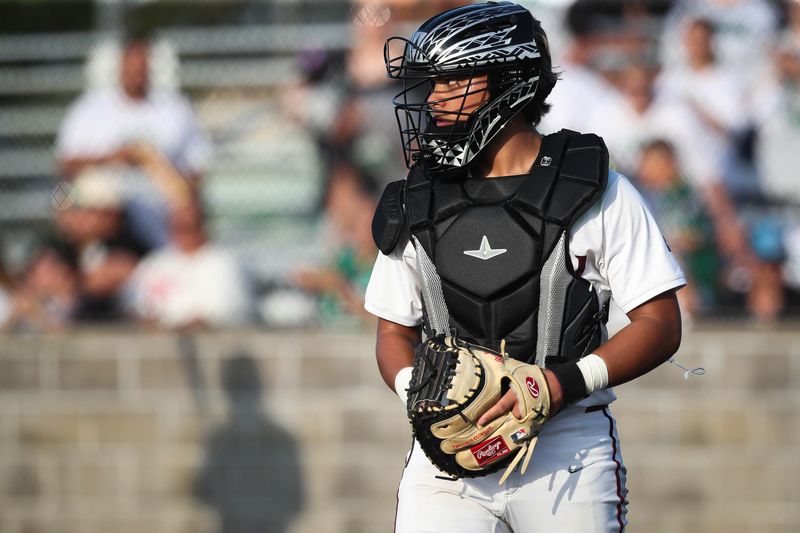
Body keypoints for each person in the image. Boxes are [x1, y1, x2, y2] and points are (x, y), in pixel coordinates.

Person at [366, 3, 686, 531]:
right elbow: (391, 332)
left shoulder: (595, 189)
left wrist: (559, 384)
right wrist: (422, 397)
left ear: (508, 82)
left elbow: (661, 324)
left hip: (567, 451)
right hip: (448, 457)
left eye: (451, 81)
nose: (433, 99)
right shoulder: (416, 198)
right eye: (432, 83)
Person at [55, 33, 210, 247]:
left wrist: (162, 172)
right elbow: (66, 164)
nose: (137, 70)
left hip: (160, 206)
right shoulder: (89, 109)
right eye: (132, 63)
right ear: (120, 65)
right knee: (63, 196)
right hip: (106, 206)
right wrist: (116, 158)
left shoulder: (176, 109)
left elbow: (197, 167)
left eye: (143, 63)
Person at [123, 196, 252, 329]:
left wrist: (179, 327)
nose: (185, 233)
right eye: (179, 226)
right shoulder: (154, 263)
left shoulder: (224, 264)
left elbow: (221, 315)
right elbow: (130, 307)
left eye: (191, 226)